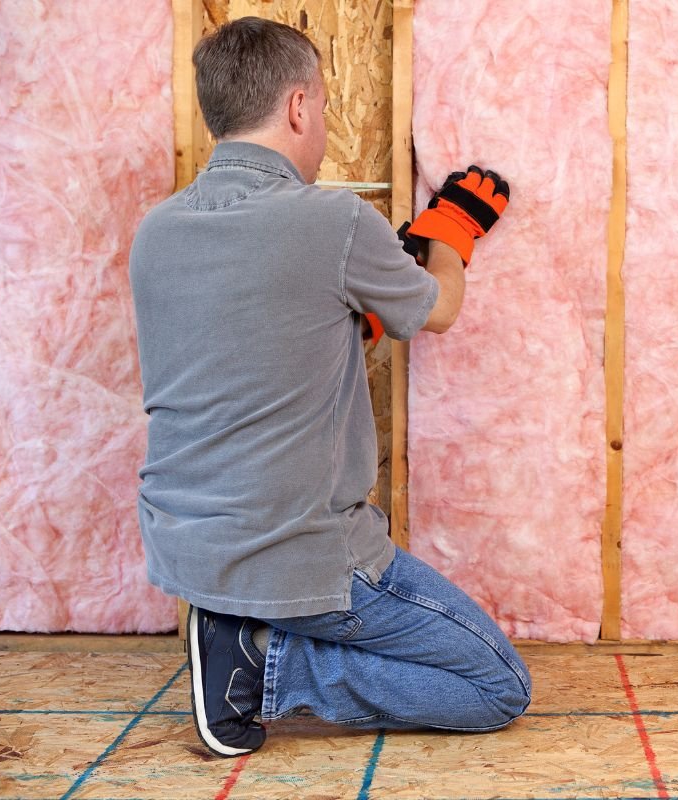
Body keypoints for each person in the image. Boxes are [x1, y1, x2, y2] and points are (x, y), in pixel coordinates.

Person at [129, 17, 530, 757]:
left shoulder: (157, 231)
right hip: (303, 553)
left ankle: (235, 628)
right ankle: (263, 667)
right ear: (298, 108)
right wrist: (451, 234)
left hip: (185, 546)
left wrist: (364, 295)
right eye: (323, 105)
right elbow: (437, 309)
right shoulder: (334, 220)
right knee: (497, 686)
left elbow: (262, 349)